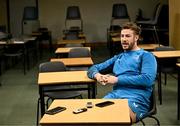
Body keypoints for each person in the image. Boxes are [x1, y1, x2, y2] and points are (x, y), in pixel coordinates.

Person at [87, 22, 157, 123]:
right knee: (94, 115)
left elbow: (147, 80)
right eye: (122, 36)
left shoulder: (146, 56)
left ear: (136, 38)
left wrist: (117, 80)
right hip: (115, 95)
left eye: (128, 36)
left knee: (117, 119)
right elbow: (92, 68)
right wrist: (97, 75)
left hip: (136, 98)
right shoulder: (118, 58)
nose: (124, 39)